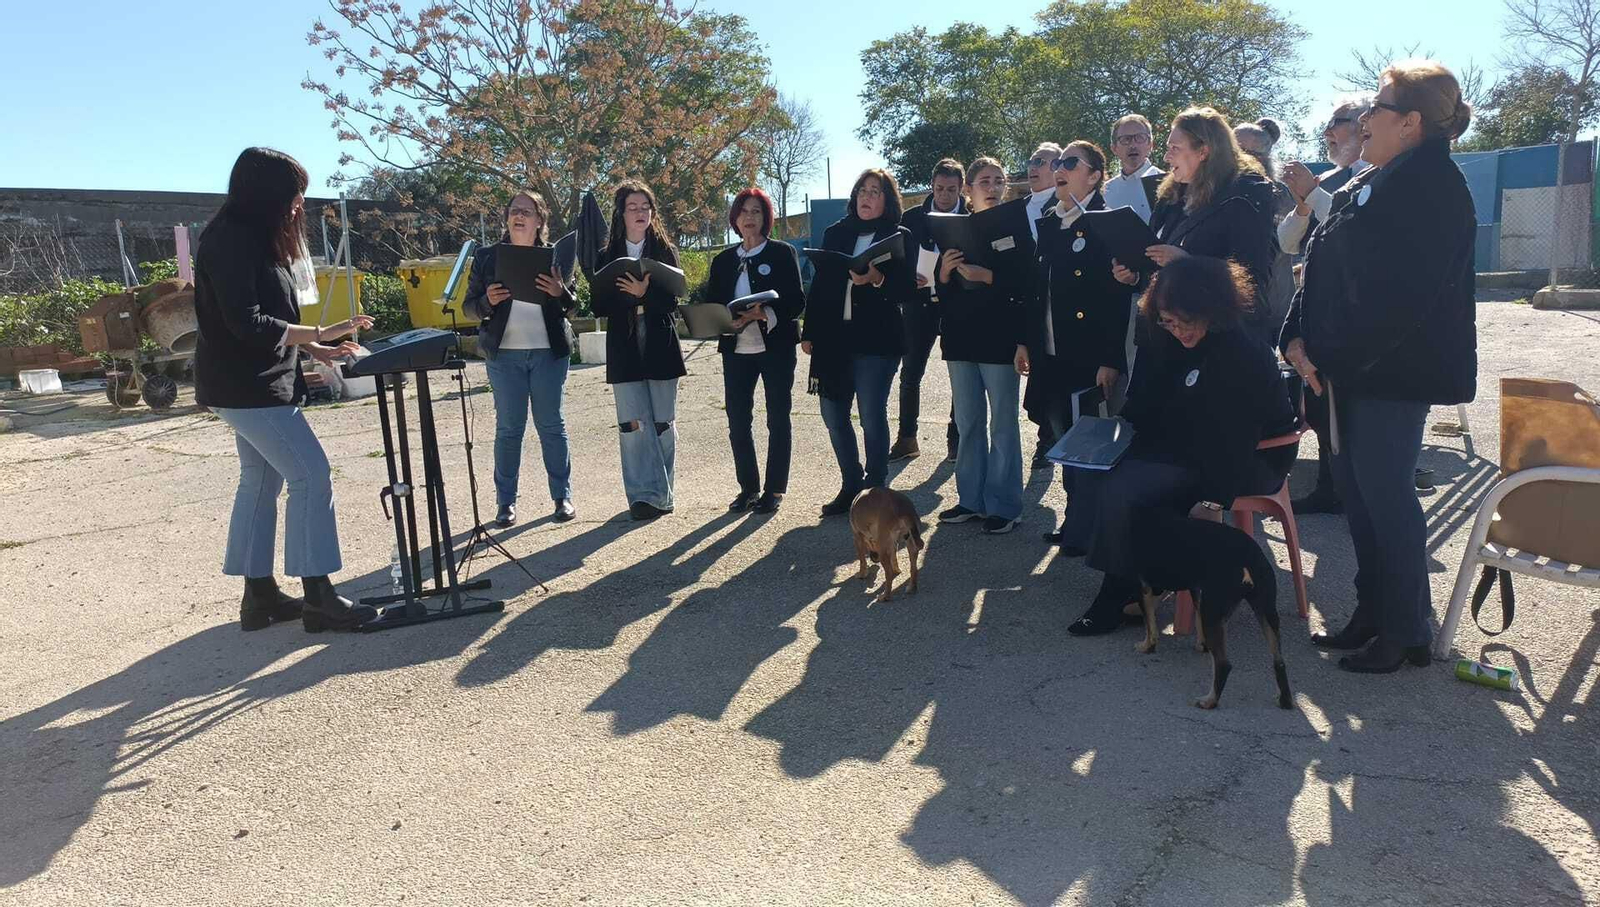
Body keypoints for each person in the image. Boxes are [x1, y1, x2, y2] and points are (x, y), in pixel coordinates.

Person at [1282, 60, 1477, 673]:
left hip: (1388, 375)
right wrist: (1295, 336)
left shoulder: (1433, 185)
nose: (1364, 118)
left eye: (1377, 107)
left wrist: (1331, 357)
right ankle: (1374, 614)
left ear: (1412, 123)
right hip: (1346, 369)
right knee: (1361, 500)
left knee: (1387, 500)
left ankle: (1405, 630)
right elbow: (1321, 268)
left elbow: (1402, 302)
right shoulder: (1375, 179)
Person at [1063, 256, 1297, 635]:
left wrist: (1213, 501)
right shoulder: (1171, 338)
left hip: (1248, 460)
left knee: (1127, 489)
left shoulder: (1242, 353)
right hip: (1188, 445)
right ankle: (1144, 577)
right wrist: (1112, 435)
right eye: (1167, 322)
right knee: (1094, 469)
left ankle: (1117, 593)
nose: (1177, 330)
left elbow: (1236, 438)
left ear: (1210, 309)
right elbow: (1149, 401)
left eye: (1184, 322)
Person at [193, 147, 374, 633]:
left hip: (246, 383)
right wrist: (319, 332)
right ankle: (319, 597)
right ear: (267, 193)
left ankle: (259, 596)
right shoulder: (232, 240)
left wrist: (316, 349)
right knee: (311, 475)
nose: (300, 204)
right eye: (295, 194)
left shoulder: (249, 235)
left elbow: (271, 318)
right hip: (249, 386)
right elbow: (248, 323)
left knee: (261, 480)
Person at [1016, 141, 1131, 547]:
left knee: (1091, 445)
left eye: (1069, 163)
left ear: (1095, 175)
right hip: (1050, 354)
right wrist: (1025, 341)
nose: (1058, 169)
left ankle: (1093, 527)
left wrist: (1110, 358)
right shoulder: (1051, 221)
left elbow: (1116, 300)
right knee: (1065, 442)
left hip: (1088, 356)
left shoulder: (1106, 222)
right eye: (1057, 163)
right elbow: (1036, 291)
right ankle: (1076, 522)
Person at [1277, 96, 1373, 517]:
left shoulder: (1376, 176)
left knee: (1358, 412)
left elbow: (1355, 230)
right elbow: (1287, 243)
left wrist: (1313, 194)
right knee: (1319, 401)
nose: (1328, 132)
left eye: (1338, 122)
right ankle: (1329, 488)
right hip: (1319, 308)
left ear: (1365, 124)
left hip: (1358, 314)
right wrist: (1302, 204)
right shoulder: (1330, 179)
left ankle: (1362, 493)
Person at [461, 189, 577, 529]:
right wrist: (488, 300)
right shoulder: (487, 257)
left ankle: (562, 496)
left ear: (540, 220)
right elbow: (469, 308)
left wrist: (559, 292)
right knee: (509, 429)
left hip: (548, 355)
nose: (519, 216)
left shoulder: (556, 256)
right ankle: (506, 503)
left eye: (527, 211)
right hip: (505, 357)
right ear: (507, 218)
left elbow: (573, 307)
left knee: (551, 425)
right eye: (514, 210)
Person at [802, 168, 912, 517]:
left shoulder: (898, 236)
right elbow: (820, 286)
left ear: (887, 199)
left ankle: (875, 487)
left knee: (870, 414)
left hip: (877, 340)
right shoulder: (836, 232)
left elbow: (907, 290)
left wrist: (877, 279)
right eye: (862, 191)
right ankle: (851, 484)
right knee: (833, 413)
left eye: (875, 191)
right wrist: (809, 331)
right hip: (834, 338)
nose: (867, 197)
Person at [934, 156, 1029, 534]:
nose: (992, 188)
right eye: (984, 182)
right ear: (968, 190)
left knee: (1002, 424)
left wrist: (989, 276)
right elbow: (943, 293)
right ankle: (971, 500)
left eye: (998, 181)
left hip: (1000, 339)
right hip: (960, 340)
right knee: (968, 422)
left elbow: (1027, 285)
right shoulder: (952, 228)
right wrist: (944, 273)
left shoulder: (1016, 226)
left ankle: (1005, 506)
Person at [590, 180, 687, 521]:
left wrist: (646, 293)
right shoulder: (606, 256)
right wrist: (629, 295)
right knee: (633, 425)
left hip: (660, 340)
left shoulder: (664, 251)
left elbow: (674, 299)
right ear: (621, 213)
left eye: (645, 207)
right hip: (624, 343)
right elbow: (598, 304)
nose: (640, 212)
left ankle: (663, 494)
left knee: (662, 422)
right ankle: (643, 497)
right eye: (633, 207)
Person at [705, 188, 805, 516]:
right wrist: (726, 321)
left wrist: (766, 314)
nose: (749, 217)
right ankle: (748, 488)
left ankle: (774, 489)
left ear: (766, 218)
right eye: (744, 211)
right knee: (738, 420)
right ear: (734, 218)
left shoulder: (782, 253)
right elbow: (713, 303)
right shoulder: (723, 261)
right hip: (737, 349)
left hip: (775, 347)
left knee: (777, 418)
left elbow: (796, 301)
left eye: (756, 211)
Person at [1145, 107, 1278, 345]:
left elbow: (1253, 278)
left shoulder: (1248, 192)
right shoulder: (1172, 194)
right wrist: (1134, 272)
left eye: (1175, 148)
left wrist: (1187, 264)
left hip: (1219, 342)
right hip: (1166, 337)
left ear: (1203, 151)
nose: (1166, 157)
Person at [894, 158, 966, 463]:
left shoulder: (971, 217)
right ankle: (907, 438)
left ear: (961, 188)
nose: (944, 195)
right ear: (931, 186)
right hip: (918, 304)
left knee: (959, 376)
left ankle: (956, 439)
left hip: (957, 305)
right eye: (939, 188)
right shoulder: (910, 219)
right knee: (910, 373)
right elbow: (896, 259)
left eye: (951, 189)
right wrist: (907, 275)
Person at [1020, 141, 1064, 468]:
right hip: (1024, 300)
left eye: (1042, 161)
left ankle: (1048, 439)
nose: (1033, 167)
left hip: (1054, 300)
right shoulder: (1017, 206)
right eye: (1033, 160)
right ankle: (1046, 434)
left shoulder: (1061, 205)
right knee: (1038, 372)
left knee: (1052, 373)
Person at [1233, 117, 1298, 334]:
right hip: (1229, 306)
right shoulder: (1213, 190)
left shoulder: (1279, 195)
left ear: (1263, 157)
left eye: (1244, 152)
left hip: (1271, 308)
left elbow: (1282, 245)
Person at [1102, 114, 1165, 223]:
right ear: (1114, 148)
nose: (1133, 145)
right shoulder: (1106, 191)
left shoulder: (1166, 184)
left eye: (1140, 138)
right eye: (1126, 139)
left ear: (1150, 144)